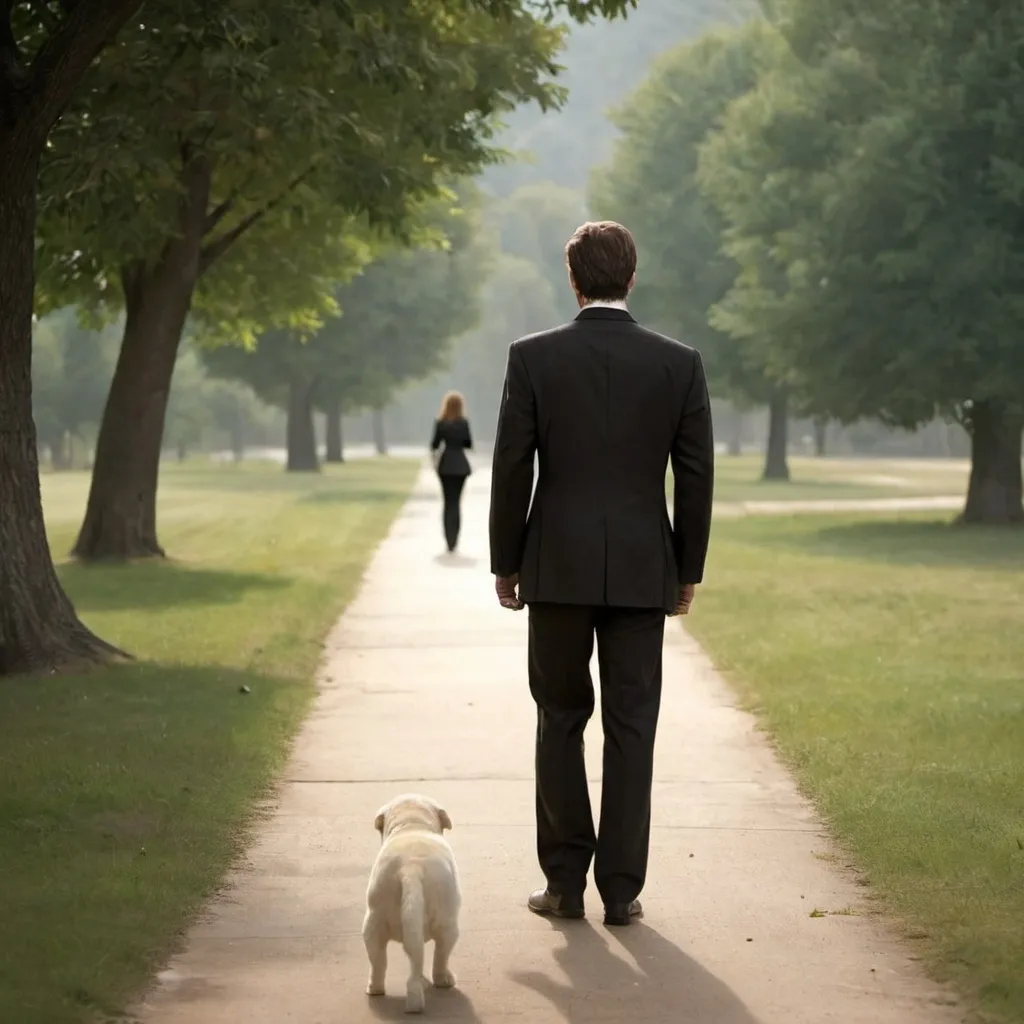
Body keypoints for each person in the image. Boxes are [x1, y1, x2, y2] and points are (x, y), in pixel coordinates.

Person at [488, 221, 714, 928]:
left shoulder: (533, 358)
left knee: (560, 718)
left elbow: (510, 469)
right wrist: (688, 569)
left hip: (555, 566)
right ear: (632, 277)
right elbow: (697, 476)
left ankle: (563, 883)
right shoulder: (680, 364)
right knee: (632, 725)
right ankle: (622, 890)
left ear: (573, 279)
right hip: (646, 568)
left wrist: (505, 561)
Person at [430, 390, 473, 553]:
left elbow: (434, 444)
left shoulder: (441, 423)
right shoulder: (463, 423)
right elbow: (468, 443)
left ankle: (448, 539)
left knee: (448, 502)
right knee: (456, 502)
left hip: (446, 464)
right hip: (460, 464)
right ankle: (455, 538)